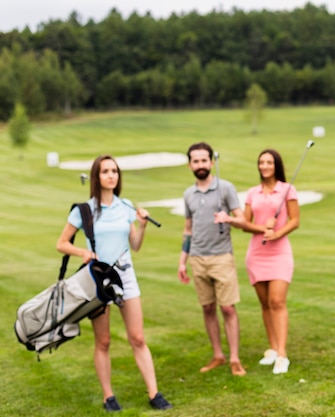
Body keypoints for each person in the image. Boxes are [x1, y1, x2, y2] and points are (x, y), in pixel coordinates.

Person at [56, 155, 172, 412]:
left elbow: (136, 245)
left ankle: (154, 393)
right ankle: (108, 396)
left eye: (115, 171)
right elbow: (61, 243)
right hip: (98, 279)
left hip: (126, 277)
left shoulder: (126, 206)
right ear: (96, 176)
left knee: (138, 337)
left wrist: (141, 226)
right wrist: (82, 253)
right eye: (106, 171)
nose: (111, 175)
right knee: (104, 341)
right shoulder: (83, 210)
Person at [216, 149, 299, 375]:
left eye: (268, 162)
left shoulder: (287, 190)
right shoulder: (253, 193)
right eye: (261, 162)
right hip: (257, 254)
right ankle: (272, 348)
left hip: (279, 253)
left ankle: (282, 354)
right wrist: (260, 228)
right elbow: (245, 224)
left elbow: (295, 220)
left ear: (276, 165)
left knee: (277, 302)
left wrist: (278, 233)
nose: (264, 166)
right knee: (264, 304)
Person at [178, 142, 247, 377]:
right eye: (195, 161)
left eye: (203, 160)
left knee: (227, 308)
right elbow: (188, 229)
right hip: (197, 258)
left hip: (222, 257)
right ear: (190, 165)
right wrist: (182, 260)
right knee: (207, 308)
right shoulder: (188, 194)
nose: (200, 165)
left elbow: (243, 219)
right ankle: (218, 354)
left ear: (212, 162)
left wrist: (228, 219)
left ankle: (235, 358)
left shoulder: (226, 188)